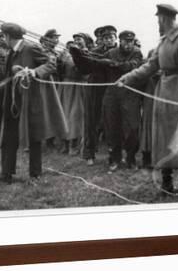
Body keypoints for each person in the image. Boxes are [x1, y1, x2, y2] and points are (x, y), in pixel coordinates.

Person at [117, 4, 178, 193]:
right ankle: (167, 183)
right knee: (164, 137)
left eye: (159, 19)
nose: (158, 24)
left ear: (165, 19)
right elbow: (150, 66)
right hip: (164, 92)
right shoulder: (162, 42)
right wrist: (127, 77)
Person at [0, 23, 68, 185]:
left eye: (3, 36)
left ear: (8, 36)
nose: (1, 39)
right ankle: (6, 175)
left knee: (34, 137)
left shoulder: (31, 48)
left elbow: (51, 64)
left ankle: (35, 175)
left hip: (32, 101)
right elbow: (10, 79)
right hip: (13, 101)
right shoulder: (11, 52)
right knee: (8, 137)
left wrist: (34, 71)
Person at [72, 30, 143, 170]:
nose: (128, 44)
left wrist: (113, 64)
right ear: (120, 41)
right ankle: (114, 159)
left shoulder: (136, 52)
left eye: (130, 41)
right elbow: (93, 64)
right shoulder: (111, 52)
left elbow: (132, 66)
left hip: (130, 94)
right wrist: (79, 55)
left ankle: (130, 158)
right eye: (125, 41)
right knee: (111, 128)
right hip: (111, 94)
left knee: (132, 128)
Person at [71, 25, 118, 165]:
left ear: (115, 37)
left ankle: (113, 155)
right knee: (91, 122)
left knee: (112, 123)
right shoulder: (94, 51)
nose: (107, 40)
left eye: (110, 37)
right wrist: (77, 56)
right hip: (95, 89)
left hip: (113, 90)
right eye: (104, 38)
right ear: (101, 40)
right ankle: (89, 154)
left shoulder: (119, 52)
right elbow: (85, 69)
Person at [56, 33, 88, 155]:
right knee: (64, 114)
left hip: (79, 86)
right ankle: (64, 143)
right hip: (66, 86)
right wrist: (59, 62)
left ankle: (74, 144)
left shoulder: (87, 53)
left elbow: (82, 70)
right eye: (75, 40)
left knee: (76, 116)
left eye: (79, 39)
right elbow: (59, 71)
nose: (76, 42)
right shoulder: (66, 54)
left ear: (85, 41)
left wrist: (74, 56)